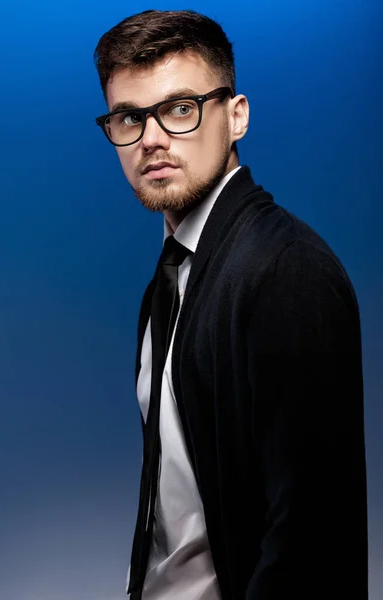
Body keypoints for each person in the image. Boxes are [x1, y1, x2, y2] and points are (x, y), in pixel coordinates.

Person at [93, 9, 368, 600]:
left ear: (236, 116)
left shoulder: (285, 270)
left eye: (180, 109)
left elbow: (311, 540)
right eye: (128, 117)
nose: (153, 140)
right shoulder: (173, 275)